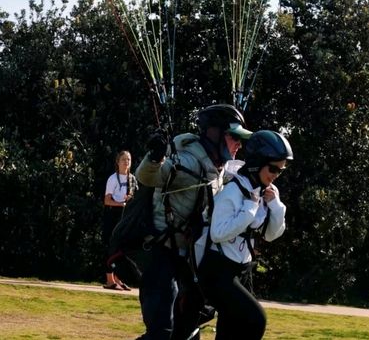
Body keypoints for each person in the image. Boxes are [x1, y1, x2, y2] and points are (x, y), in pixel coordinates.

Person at [134, 103, 252, 340]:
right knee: (162, 332)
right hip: (162, 253)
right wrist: (154, 156)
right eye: (234, 137)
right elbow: (147, 175)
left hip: (187, 260)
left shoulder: (218, 167)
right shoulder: (189, 161)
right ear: (215, 134)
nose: (239, 144)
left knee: (187, 329)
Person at [197, 130, 293, 340]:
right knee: (256, 320)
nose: (276, 175)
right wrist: (249, 209)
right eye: (273, 168)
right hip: (218, 270)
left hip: (242, 270)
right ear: (258, 163)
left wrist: (276, 207)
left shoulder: (262, 191)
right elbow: (217, 233)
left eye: (280, 171)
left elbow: (270, 235)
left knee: (230, 330)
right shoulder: (233, 191)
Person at [103, 149, 137, 291]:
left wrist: (130, 200)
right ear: (117, 162)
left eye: (128, 159)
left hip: (126, 217)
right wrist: (121, 204)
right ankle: (110, 280)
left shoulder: (132, 179)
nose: (126, 162)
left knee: (123, 249)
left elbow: (135, 197)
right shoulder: (112, 179)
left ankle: (118, 279)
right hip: (113, 215)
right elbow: (107, 200)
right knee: (111, 246)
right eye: (123, 159)